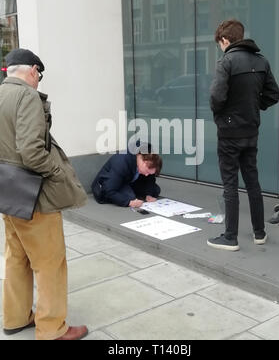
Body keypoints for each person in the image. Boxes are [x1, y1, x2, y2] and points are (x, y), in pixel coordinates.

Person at [0, 48, 88, 340]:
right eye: (39, 75)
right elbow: (31, 151)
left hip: (7, 193)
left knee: (16, 257)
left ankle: (14, 317)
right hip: (33, 195)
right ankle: (52, 329)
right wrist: (57, 172)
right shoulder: (26, 97)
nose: (38, 80)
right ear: (33, 71)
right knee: (50, 261)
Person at [207, 20, 279, 251]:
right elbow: (273, 95)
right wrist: (252, 108)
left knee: (230, 185)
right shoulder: (261, 61)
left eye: (220, 42)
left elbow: (216, 98)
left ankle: (230, 237)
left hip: (229, 133)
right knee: (252, 182)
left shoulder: (226, 62)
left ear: (225, 40)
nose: (220, 46)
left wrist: (222, 117)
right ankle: (259, 233)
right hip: (250, 131)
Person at [92, 143, 162, 208]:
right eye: (147, 172)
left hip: (129, 180)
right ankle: (131, 195)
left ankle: (134, 193)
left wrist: (148, 194)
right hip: (107, 184)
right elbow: (108, 190)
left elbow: (150, 180)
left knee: (155, 190)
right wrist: (129, 203)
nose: (147, 175)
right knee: (129, 197)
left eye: (150, 174)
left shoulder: (149, 161)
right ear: (144, 163)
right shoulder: (121, 163)